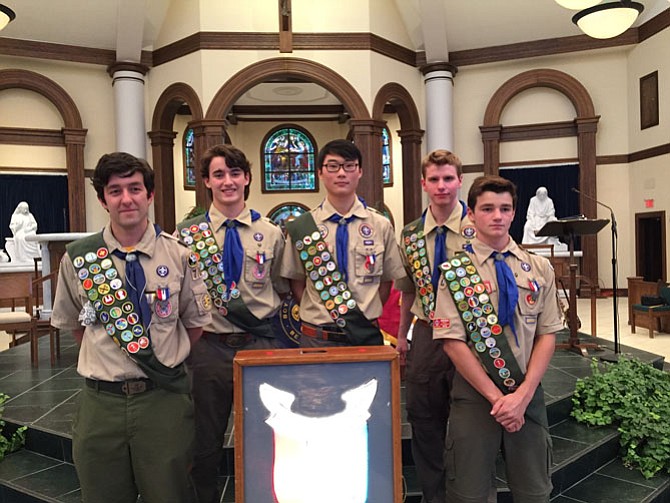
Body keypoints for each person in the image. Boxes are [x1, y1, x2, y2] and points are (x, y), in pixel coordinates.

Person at [51, 152, 212, 503]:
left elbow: (194, 325)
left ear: (150, 195)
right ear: (102, 199)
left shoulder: (180, 256)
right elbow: (76, 326)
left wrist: (159, 360)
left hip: (162, 400)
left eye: (135, 188)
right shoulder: (80, 259)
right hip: (101, 403)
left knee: (169, 494)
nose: (127, 199)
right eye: (115, 190)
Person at [433, 175, 563, 502]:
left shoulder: (538, 268)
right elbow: (452, 341)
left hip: (526, 390)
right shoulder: (455, 272)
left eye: (505, 208)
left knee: (534, 490)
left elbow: (547, 333)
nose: (497, 216)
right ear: (472, 215)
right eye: (488, 208)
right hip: (476, 394)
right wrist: (497, 398)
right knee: (469, 491)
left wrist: (522, 396)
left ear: (515, 213)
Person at [175, 144, 289, 503]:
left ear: (247, 178)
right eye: (219, 174)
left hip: (259, 346)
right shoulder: (186, 237)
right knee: (204, 439)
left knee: (262, 435)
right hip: (209, 348)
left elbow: (283, 288)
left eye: (235, 173)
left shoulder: (270, 233)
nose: (228, 181)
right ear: (206, 181)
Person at [394, 149, 476, 503]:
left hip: (472, 334)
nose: (442, 186)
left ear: (459, 181)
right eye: (434, 180)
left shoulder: (479, 228)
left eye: (448, 178)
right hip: (427, 333)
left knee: (471, 419)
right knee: (424, 417)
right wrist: (401, 335)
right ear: (424, 183)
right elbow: (408, 291)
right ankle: (434, 496)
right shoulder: (411, 235)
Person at [281, 139, 406, 347]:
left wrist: (358, 317)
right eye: (333, 166)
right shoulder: (304, 228)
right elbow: (297, 283)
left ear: (360, 171)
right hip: (317, 338)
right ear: (320, 172)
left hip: (364, 334)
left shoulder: (380, 225)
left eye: (349, 166)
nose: (341, 173)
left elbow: (386, 282)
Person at [522, 186, 566, 251]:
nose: (542, 196)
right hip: (535, 219)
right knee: (527, 226)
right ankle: (527, 244)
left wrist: (549, 217)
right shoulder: (533, 200)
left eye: (543, 194)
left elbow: (551, 212)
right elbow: (530, 213)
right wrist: (533, 221)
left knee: (553, 222)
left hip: (546, 220)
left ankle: (550, 243)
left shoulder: (549, 201)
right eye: (540, 194)